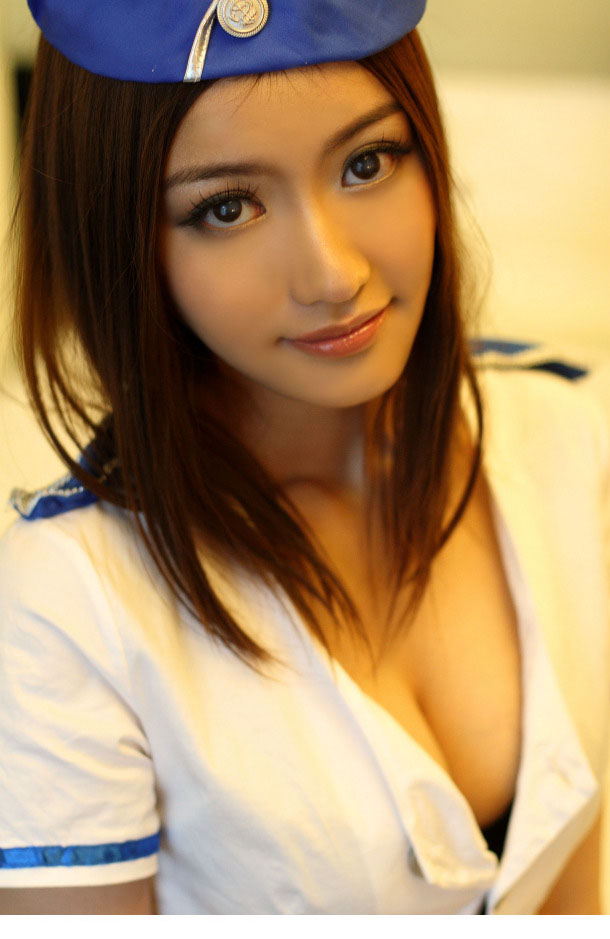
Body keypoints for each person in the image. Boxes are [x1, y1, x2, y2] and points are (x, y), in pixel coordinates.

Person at [0, 0, 607, 916]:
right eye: (227, 208)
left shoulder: (566, 433)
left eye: (367, 162)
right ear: (119, 237)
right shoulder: (66, 601)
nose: (332, 274)